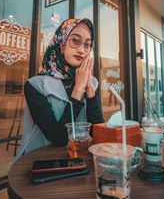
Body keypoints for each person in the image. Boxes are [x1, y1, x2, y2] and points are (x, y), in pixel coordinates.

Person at [16, 18, 104, 158]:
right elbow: (59, 138)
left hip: (81, 161)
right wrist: (77, 89)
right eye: (75, 41)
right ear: (61, 43)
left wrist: (91, 95)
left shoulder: (92, 83)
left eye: (87, 44)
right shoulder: (35, 85)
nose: (82, 50)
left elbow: (97, 133)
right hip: (41, 162)